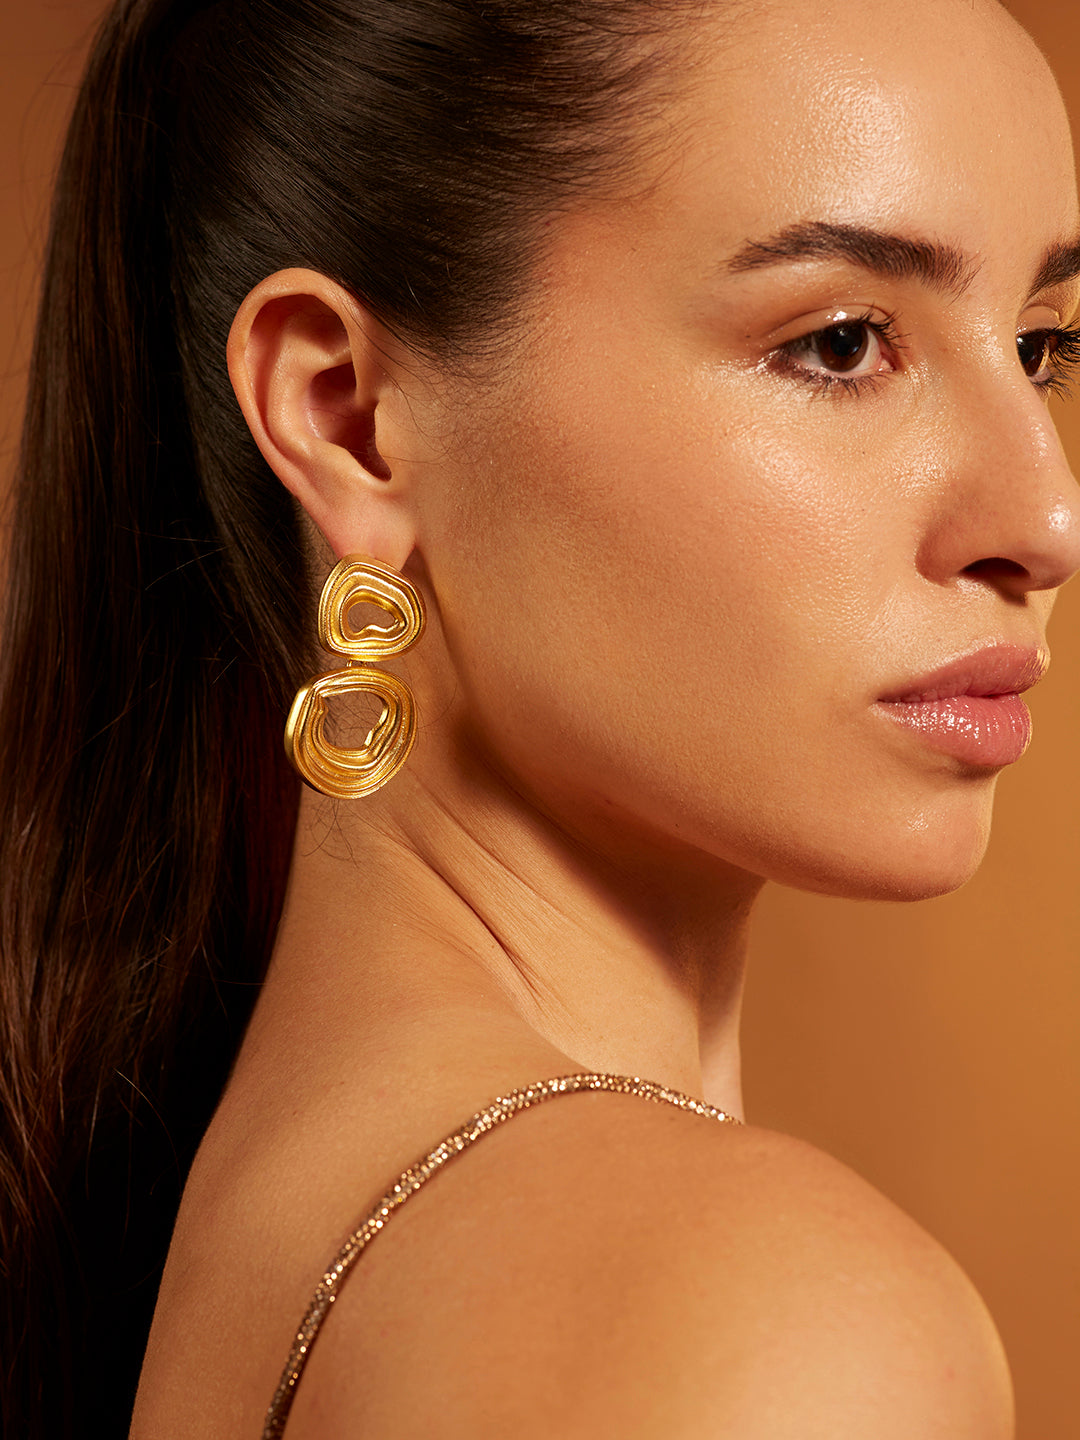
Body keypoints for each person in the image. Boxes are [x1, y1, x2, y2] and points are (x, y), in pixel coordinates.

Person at [2, 0, 1079, 1434]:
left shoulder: (259, 1214)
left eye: (1044, 348)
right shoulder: (751, 1312)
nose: (1046, 518)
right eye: (838, 343)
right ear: (346, 417)